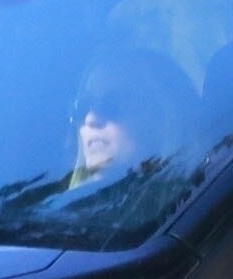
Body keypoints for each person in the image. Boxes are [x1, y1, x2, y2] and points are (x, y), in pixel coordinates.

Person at [69, 48, 197, 189]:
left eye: (110, 105)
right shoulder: (71, 202)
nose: (90, 119)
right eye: (84, 106)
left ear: (160, 119)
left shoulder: (189, 193)